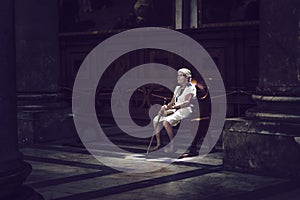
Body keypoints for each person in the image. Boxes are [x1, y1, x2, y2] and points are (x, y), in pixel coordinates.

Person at [152, 68, 197, 152]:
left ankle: (173, 144)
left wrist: (173, 107)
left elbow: (186, 103)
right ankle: (159, 144)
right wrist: (165, 106)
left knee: (166, 121)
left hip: (185, 110)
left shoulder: (191, 88)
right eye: (178, 76)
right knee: (156, 120)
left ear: (187, 77)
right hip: (175, 110)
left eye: (180, 76)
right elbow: (172, 102)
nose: (178, 78)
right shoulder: (177, 88)